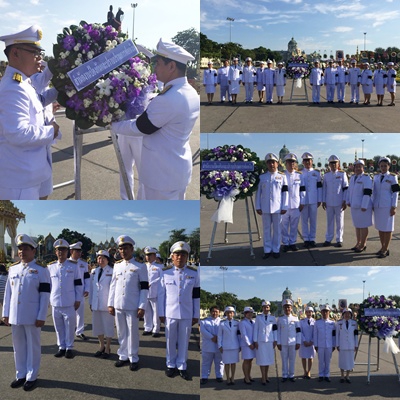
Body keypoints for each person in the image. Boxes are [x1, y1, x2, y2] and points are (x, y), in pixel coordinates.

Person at [111, 39, 199, 200]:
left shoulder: (169, 97)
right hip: (176, 170)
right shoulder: (189, 92)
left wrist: (112, 125)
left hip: (162, 176)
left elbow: (140, 127)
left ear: (171, 66)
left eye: (158, 63)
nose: (154, 68)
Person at [0, 25, 59, 199]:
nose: (39, 58)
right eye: (34, 52)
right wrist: (52, 131)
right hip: (19, 182)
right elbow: (18, 133)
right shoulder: (13, 88)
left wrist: (62, 89)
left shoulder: (23, 83)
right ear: (15, 53)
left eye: (39, 52)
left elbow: (39, 102)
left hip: (29, 174)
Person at [1, 234, 50, 391]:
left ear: (33, 251)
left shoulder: (41, 270)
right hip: (15, 315)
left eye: (26, 249)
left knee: (33, 347)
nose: (22, 251)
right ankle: (20, 374)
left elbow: (44, 295)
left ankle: (31, 376)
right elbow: (8, 293)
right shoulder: (13, 268)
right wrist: (5, 313)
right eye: (20, 248)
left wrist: (42, 315)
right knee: (18, 346)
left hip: (32, 316)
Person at [158, 241, 200, 380]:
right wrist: (161, 313)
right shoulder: (165, 272)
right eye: (177, 254)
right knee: (170, 340)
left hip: (187, 313)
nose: (180, 257)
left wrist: (196, 314)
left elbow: (196, 296)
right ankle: (170, 364)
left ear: (187, 257)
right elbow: (161, 295)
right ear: (172, 256)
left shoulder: (194, 272)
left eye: (183, 254)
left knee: (184, 341)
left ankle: (182, 365)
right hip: (170, 313)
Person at [108, 235, 148, 371]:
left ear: (132, 249)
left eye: (125, 248)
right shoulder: (117, 266)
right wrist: (110, 303)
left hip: (132, 305)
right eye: (120, 249)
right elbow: (113, 285)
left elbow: (144, 288)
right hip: (118, 304)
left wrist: (142, 306)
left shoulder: (140, 266)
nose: (123, 251)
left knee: (132, 332)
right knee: (121, 331)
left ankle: (133, 357)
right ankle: (123, 355)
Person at [48, 239, 82, 359]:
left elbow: (78, 284)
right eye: (58, 250)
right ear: (55, 252)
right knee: (58, 327)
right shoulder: (51, 267)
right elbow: (49, 285)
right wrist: (48, 300)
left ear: (67, 251)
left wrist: (78, 299)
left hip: (69, 302)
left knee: (70, 326)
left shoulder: (73, 266)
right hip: (56, 302)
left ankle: (69, 347)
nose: (60, 252)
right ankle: (61, 346)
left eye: (63, 249)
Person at [256, 152, 288, 259]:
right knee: (266, 230)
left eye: (273, 162)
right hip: (265, 208)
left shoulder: (282, 177)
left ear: (277, 163)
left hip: (278, 208)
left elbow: (285, 193)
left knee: (277, 230)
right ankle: (267, 250)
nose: (271, 165)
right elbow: (258, 193)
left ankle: (276, 249)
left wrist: (284, 206)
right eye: (269, 163)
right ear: (267, 164)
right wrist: (258, 206)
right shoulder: (262, 177)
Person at [372, 157, 399, 258]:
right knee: (380, 228)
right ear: (379, 166)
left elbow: (396, 192)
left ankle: (385, 248)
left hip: (387, 206)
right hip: (378, 206)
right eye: (381, 165)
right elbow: (374, 192)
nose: (383, 167)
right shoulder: (376, 177)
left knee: (387, 228)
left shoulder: (393, 177)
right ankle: (382, 247)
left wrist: (394, 206)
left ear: (389, 166)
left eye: (385, 166)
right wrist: (373, 203)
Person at [89, 250, 114, 358]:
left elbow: (114, 290)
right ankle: (101, 346)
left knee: (108, 326)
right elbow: (91, 288)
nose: (101, 260)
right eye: (99, 258)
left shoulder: (112, 271)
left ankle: (108, 347)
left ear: (108, 260)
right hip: (96, 303)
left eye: (103, 258)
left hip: (107, 304)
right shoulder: (94, 271)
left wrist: (112, 304)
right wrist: (90, 302)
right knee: (98, 326)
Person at [346, 159, 373, 252]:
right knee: (357, 225)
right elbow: (350, 191)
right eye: (356, 167)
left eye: (359, 167)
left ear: (363, 168)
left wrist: (364, 205)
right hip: (354, 205)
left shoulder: (366, 178)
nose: (358, 168)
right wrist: (348, 201)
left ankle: (363, 244)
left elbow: (367, 192)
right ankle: (358, 242)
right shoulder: (353, 177)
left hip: (363, 207)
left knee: (363, 226)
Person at [322, 155, 348, 247]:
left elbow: (345, 188)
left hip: (339, 201)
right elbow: (324, 188)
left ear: (338, 164)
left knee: (339, 221)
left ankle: (339, 239)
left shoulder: (342, 174)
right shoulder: (326, 175)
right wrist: (323, 201)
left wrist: (345, 200)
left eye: (335, 163)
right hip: (329, 202)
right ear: (329, 164)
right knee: (329, 221)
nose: (333, 165)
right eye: (331, 163)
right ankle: (328, 238)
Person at [281, 152, 305, 252]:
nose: (291, 164)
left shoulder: (299, 176)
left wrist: (302, 202)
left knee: (294, 226)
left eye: (293, 162)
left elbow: (303, 190)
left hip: (296, 205)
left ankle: (293, 242)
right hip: (284, 205)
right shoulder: (282, 175)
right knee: (284, 226)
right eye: (289, 162)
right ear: (285, 163)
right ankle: (285, 243)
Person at [69, 241, 90, 341]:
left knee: (80, 313)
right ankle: (69, 332)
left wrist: (87, 289)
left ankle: (80, 331)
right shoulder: (66, 262)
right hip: (68, 292)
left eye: (79, 251)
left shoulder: (83, 264)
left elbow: (86, 278)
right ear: (71, 251)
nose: (79, 253)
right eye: (76, 251)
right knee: (69, 314)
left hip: (80, 291)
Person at [301, 152, 322, 248]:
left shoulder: (317, 173)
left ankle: (312, 238)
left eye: (308, 160)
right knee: (304, 220)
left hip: (314, 199)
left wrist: (320, 199)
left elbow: (319, 187)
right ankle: (305, 238)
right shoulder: (300, 173)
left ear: (312, 161)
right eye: (305, 161)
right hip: (304, 200)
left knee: (313, 220)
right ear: (303, 162)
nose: (307, 162)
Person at [253, 300, 277, 385]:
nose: (266, 309)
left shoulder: (273, 318)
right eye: (264, 307)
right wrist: (255, 341)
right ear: (262, 308)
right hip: (261, 341)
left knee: (268, 360)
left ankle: (266, 376)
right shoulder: (258, 318)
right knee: (262, 360)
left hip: (270, 341)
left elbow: (274, 330)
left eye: (267, 307)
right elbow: (256, 329)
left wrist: (275, 340)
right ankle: (263, 377)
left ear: (269, 308)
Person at [277, 299, 301, 382]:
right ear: (283, 308)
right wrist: (278, 343)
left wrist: (298, 342)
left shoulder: (295, 318)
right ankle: (284, 375)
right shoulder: (280, 319)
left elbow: (298, 331)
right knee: (284, 359)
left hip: (293, 342)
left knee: (292, 359)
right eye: (286, 307)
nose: (287, 309)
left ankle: (291, 375)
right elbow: (278, 332)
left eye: (289, 307)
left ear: (291, 308)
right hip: (283, 342)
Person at [200, 305, 224, 384]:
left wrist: (218, 338)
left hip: (219, 345)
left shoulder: (222, 322)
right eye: (213, 311)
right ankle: (204, 376)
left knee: (219, 362)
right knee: (206, 362)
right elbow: (203, 331)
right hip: (208, 345)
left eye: (216, 312)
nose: (215, 313)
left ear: (219, 312)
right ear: (210, 312)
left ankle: (219, 376)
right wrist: (212, 337)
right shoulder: (204, 321)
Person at [217, 306, 240, 385]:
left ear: (233, 313)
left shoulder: (237, 323)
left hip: (235, 346)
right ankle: (227, 378)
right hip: (225, 346)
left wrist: (240, 345)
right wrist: (219, 345)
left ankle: (232, 378)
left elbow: (239, 335)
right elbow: (219, 335)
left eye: (231, 313)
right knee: (226, 363)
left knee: (233, 363)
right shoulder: (222, 323)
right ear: (225, 314)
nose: (230, 314)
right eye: (228, 313)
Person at [142, 246, 162, 337]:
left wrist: (152, 283)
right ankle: (147, 328)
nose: (148, 257)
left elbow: (162, 278)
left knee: (156, 312)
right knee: (146, 312)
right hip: (145, 292)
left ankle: (156, 329)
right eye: (147, 255)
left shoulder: (159, 266)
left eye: (150, 255)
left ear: (154, 256)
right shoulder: (143, 266)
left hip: (155, 292)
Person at [314, 304, 336, 382]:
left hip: (329, 345)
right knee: (321, 361)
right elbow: (315, 334)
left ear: (329, 312)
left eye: (326, 311)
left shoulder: (332, 323)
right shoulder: (317, 323)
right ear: (321, 312)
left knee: (328, 361)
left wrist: (334, 344)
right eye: (323, 311)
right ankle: (321, 375)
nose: (325, 313)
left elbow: (334, 335)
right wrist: (315, 345)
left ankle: (327, 375)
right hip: (320, 344)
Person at [336, 308, 358, 383]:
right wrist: (337, 344)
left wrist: (356, 344)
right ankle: (342, 375)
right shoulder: (339, 323)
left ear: (351, 315)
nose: (347, 315)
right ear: (343, 314)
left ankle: (347, 375)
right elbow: (337, 335)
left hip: (351, 345)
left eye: (348, 313)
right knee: (342, 361)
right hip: (342, 345)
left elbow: (356, 335)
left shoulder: (354, 323)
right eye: (345, 313)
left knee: (350, 361)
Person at [239, 306, 256, 384]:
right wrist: (249, 344)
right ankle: (246, 377)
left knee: (250, 360)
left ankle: (249, 375)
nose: (250, 314)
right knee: (246, 360)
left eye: (251, 313)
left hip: (253, 344)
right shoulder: (242, 322)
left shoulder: (253, 322)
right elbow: (244, 334)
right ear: (245, 314)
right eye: (248, 313)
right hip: (246, 345)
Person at [299, 306, 316, 379]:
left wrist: (312, 341)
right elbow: (300, 332)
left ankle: (309, 371)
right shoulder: (301, 321)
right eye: (307, 312)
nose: (309, 313)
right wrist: (304, 340)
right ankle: (304, 371)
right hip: (304, 342)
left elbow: (315, 333)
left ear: (312, 313)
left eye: (310, 312)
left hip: (311, 342)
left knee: (310, 357)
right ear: (305, 313)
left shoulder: (315, 322)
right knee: (303, 357)